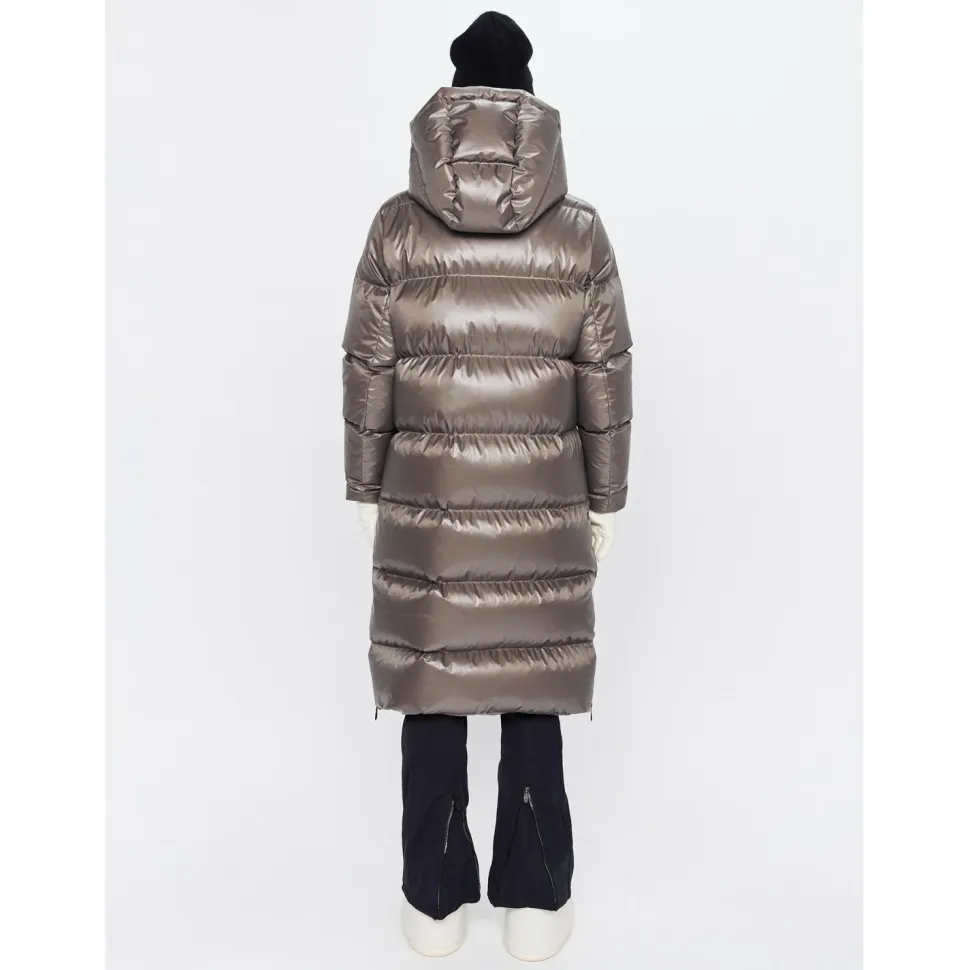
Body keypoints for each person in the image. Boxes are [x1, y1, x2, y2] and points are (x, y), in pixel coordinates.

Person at [341, 10, 632, 961]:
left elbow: (367, 369)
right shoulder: (580, 236)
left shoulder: (397, 228)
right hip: (543, 509)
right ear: (531, 106)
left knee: (433, 689)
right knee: (530, 684)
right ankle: (537, 902)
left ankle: (433, 904)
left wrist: (364, 488)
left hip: (425, 512)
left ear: (452, 100)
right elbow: (606, 379)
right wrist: (606, 501)